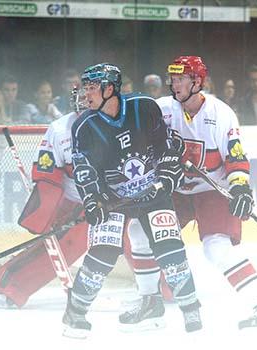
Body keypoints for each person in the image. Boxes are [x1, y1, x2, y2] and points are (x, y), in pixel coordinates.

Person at [0, 86, 172, 310]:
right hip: (79, 204)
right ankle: (9, 286)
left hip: (121, 198)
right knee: (68, 243)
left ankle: (168, 287)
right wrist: (44, 212)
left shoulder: (120, 122)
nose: (87, 102)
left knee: (138, 238)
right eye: (83, 98)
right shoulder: (60, 129)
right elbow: (48, 173)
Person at [137, 55, 257, 330]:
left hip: (212, 189)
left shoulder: (221, 113)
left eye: (180, 79)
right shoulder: (161, 109)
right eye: (173, 79)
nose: (174, 84)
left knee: (216, 247)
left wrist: (240, 188)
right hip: (175, 189)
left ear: (197, 82)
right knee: (140, 232)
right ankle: (150, 300)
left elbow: (236, 158)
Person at [64, 63, 201, 338]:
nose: (85, 94)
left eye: (92, 88)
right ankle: (75, 313)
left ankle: (190, 310)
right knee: (103, 252)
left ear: (110, 89)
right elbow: (84, 170)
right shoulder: (83, 126)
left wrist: (166, 177)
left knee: (169, 247)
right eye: (86, 88)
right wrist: (92, 199)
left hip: (153, 192)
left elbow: (167, 148)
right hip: (112, 197)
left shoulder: (144, 107)